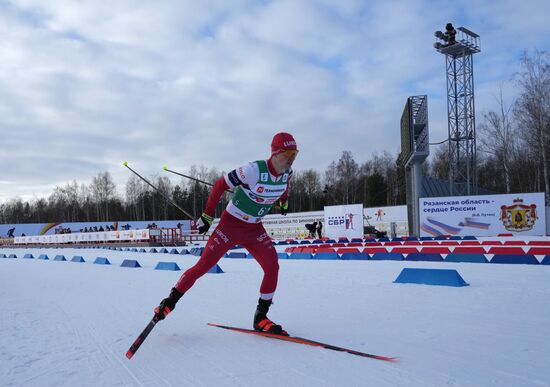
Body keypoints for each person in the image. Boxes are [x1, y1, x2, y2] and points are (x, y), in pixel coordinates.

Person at [153, 132, 298, 336]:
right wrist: (207, 216)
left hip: (254, 229)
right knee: (203, 266)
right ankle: (168, 303)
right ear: (275, 153)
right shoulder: (253, 170)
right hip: (230, 226)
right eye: (289, 154)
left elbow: (284, 187)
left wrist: (284, 201)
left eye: (295, 154)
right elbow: (221, 184)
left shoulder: (287, 173)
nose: (292, 159)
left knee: (272, 266)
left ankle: (261, 318)